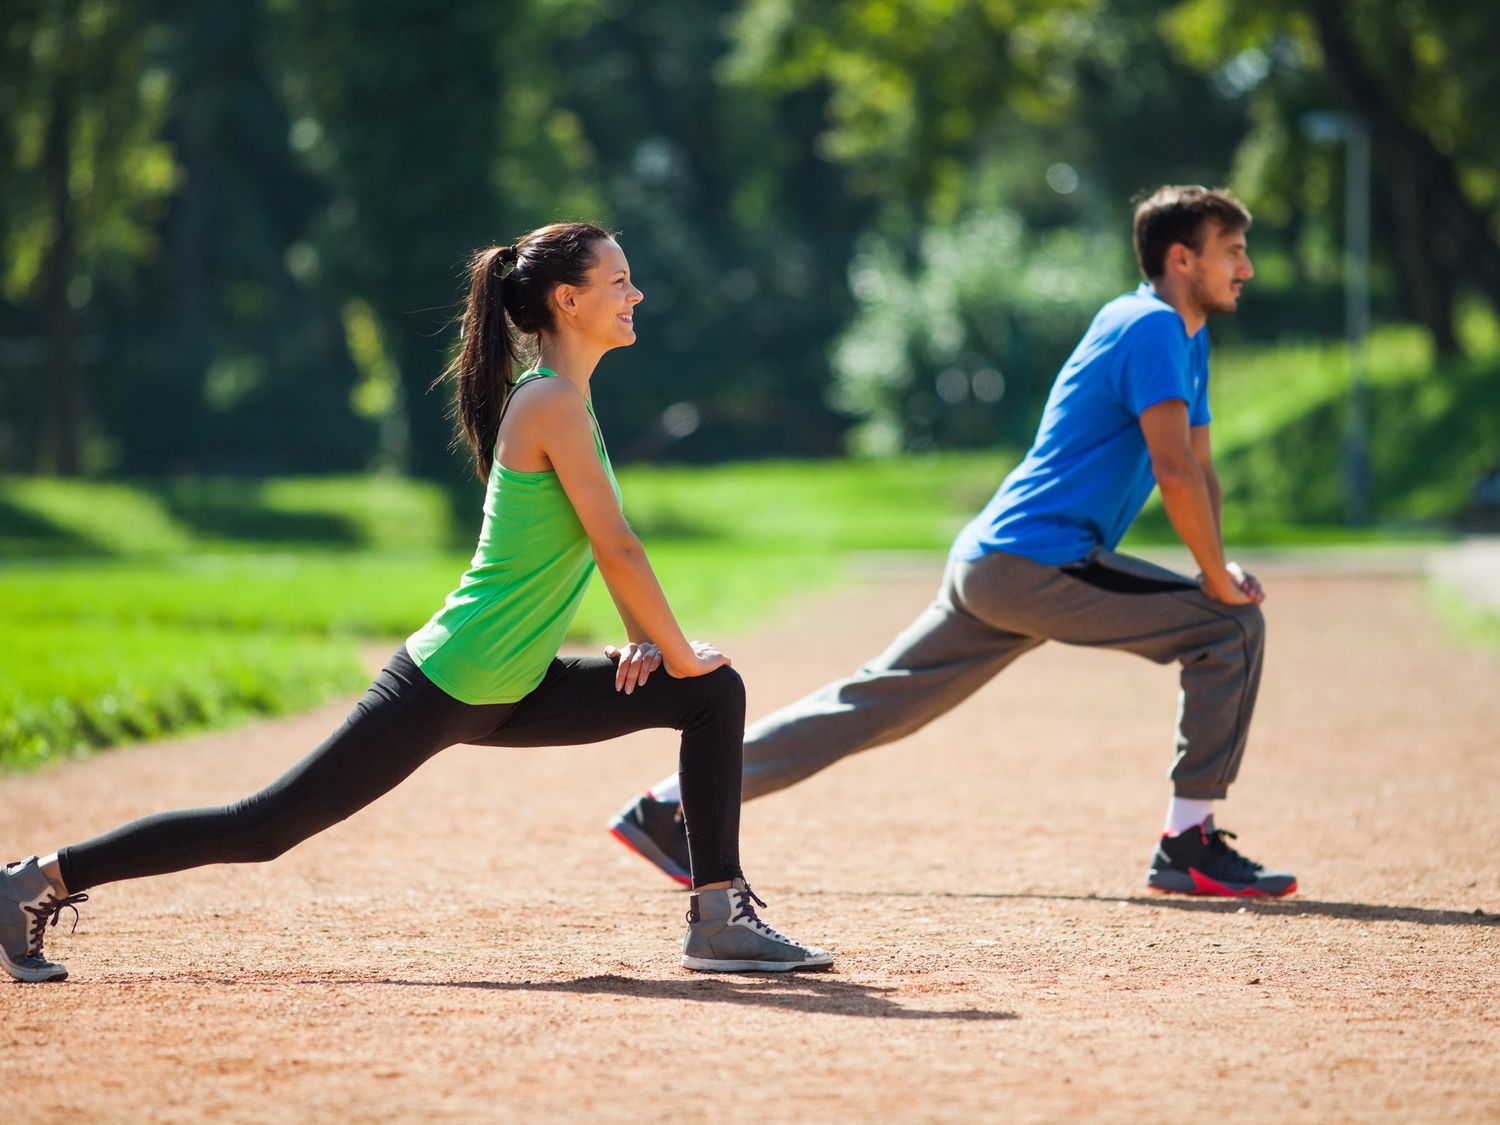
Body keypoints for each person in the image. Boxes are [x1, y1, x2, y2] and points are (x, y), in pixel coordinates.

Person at [1, 222, 831, 983]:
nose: (635, 293)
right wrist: (674, 647)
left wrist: (644, 642)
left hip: (513, 684)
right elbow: (618, 547)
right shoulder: (549, 402)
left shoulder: (566, 401)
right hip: (454, 677)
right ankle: (34, 880)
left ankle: (717, 918)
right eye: (620, 280)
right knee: (262, 828)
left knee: (711, 695)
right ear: (568, 300)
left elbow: (590, 546)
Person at [609, 186, 1297, 899]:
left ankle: (668, 807)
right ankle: (1188, 841)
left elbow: (1202, 467)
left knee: (870, 704)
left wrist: (1216, 564)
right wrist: (1216, 581)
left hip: (999, 561)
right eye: (1234, 252)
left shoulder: (1184, 337)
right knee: (1231, 628)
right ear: (1182, 259)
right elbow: (1174, 469)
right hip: (1038, 561)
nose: (1245, 268)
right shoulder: (1150, 325)